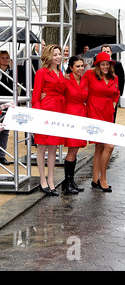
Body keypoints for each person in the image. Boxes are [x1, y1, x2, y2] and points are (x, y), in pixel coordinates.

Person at [31, 44, 66, 196]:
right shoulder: (41, 72)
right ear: (48, 56)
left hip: (59, 111)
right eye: (55, 54)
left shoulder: (61, 73)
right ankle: (42, 181)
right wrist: (39, 116)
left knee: (53, 148)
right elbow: (35, 97)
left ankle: (51, 181)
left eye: (59, 54)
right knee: (42, 147)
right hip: (45, 112)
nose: (58, 57)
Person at [85, 52, 120, 192]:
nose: (105, 67)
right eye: (103, 64)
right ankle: (102, 178)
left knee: (101, 147)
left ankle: (95, 179)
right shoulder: (89, 75)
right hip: (94, 113)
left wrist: (114, 104)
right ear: (97, 65)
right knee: (108, 146)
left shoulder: (114, 77)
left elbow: (117, 93)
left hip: (107, 114)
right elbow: (75, 80)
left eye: (108, 64)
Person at [62, 56, 88, 194]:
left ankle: (71, 180)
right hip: (70, 115)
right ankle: (67, 182)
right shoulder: (66, 80)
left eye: (82, 66)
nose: (80, 68)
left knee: (76, 149)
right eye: (77, 66)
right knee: (72, 149)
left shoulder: (85, 80)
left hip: (81, 115)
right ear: (71, 67)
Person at [101, 44, 125, 122]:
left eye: (107, 51)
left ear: (111, 52)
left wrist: (120, 93)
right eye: (104, 51)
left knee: (112, 114)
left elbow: (122, 79)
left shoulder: (117, 64)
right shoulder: (98, 64)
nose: (106, 53)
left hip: (113, 94)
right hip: (101, 94)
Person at [0, 50, 14, 165]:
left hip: (8, 104)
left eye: (7, 57)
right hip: (0, 103)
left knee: (5, 130)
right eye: (3, 57)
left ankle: (2, 155)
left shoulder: (12, 72)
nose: (6, 59)